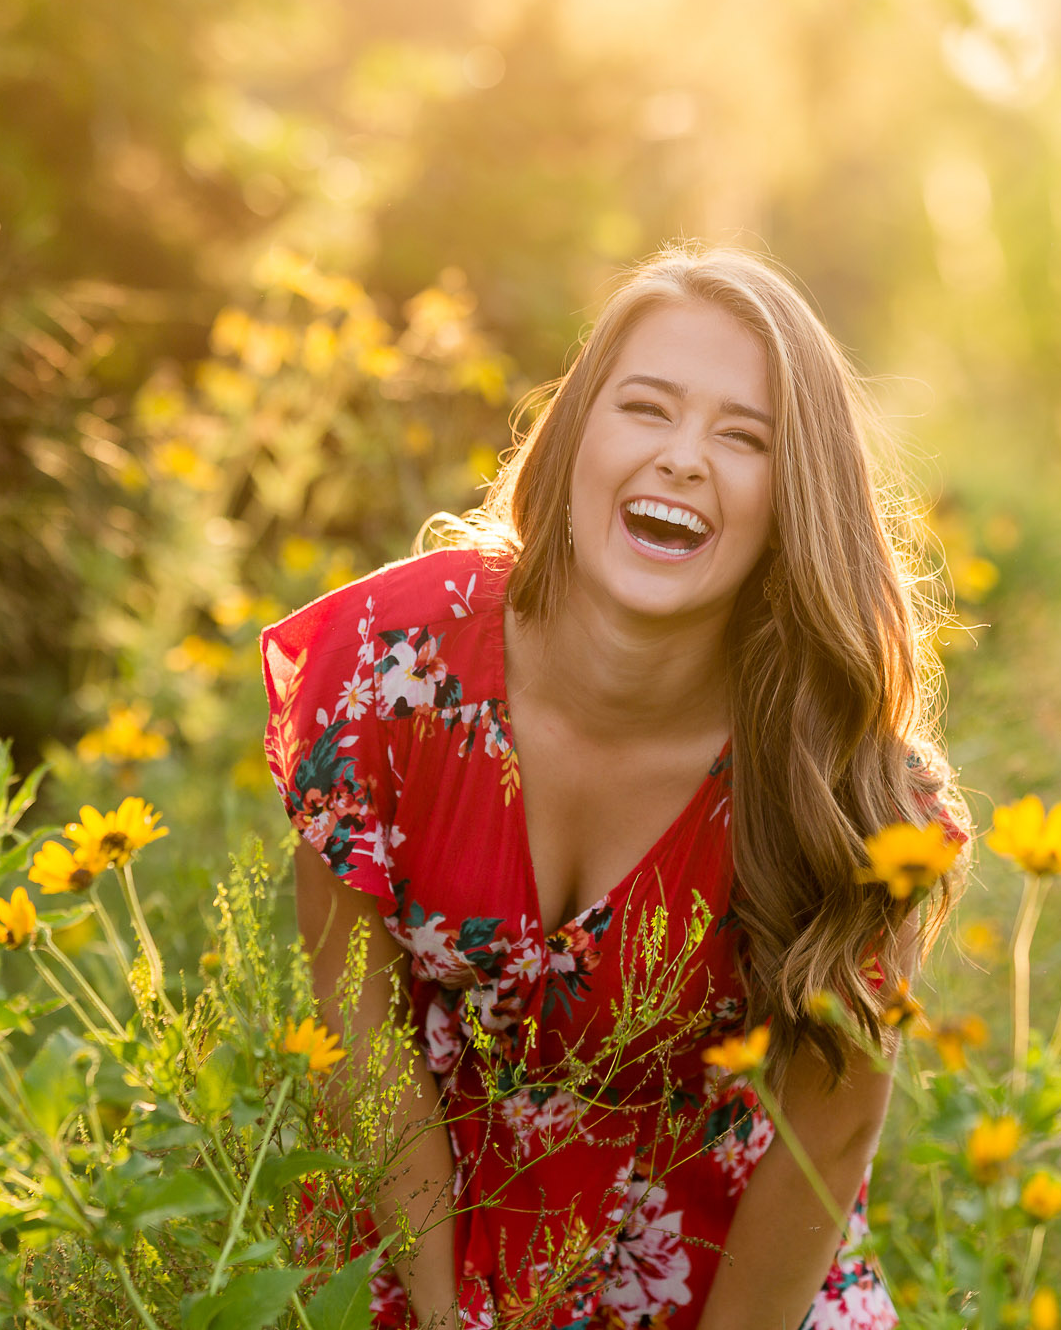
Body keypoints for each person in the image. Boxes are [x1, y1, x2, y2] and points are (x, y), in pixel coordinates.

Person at [260, 244, 965, 1329]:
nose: (684, 457)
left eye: (744, 436)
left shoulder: (851, 789)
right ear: (579, 432)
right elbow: (360, 1036)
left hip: (724, 1282)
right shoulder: (385, 663)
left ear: (793, 500)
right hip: (415, 1229)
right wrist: (444, 1316)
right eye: (646, 408)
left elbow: (825, 1134)